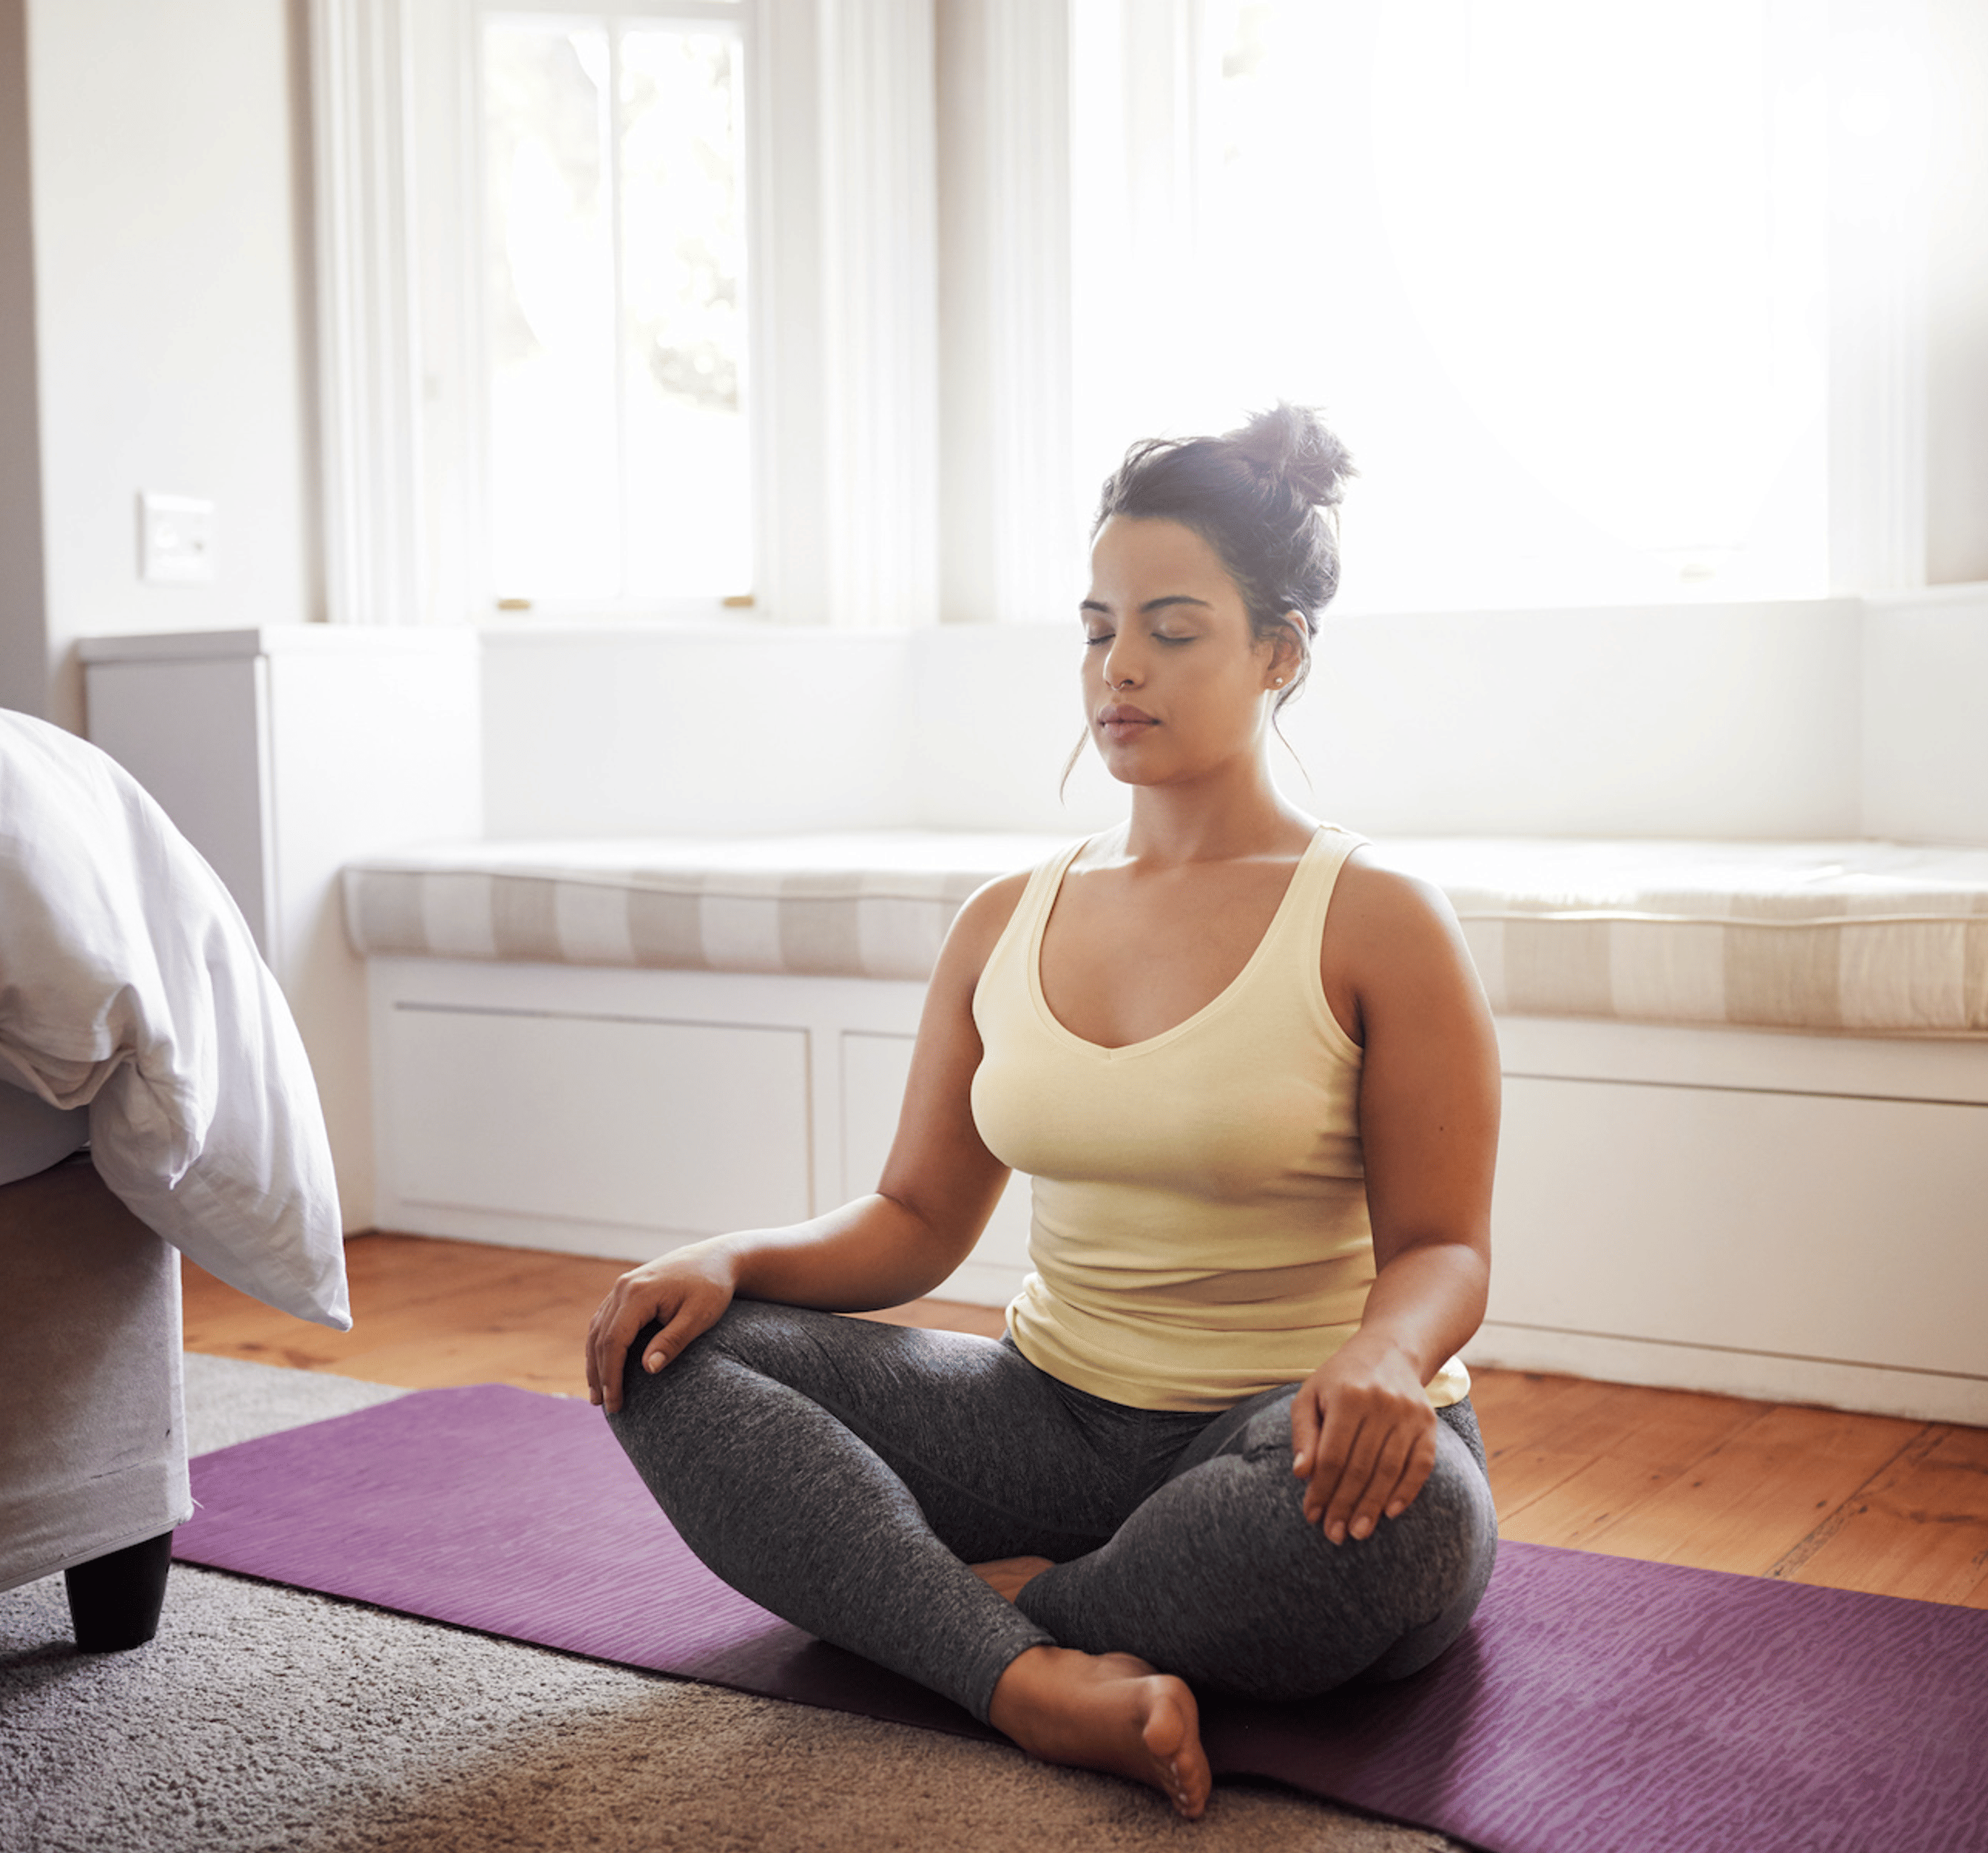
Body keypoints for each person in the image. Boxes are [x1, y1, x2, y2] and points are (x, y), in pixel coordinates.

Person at [583, 404, 1501, 1820]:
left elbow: (1446, 1248)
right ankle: (1029, 1679)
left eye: (1174, 629)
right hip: (1043, 1417)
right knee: (666, 1358)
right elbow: (914, 1222)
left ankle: (977, 1608)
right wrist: (731, 1260)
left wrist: (1387, 1356)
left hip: (1284, 1439)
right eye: (1095, 628)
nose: (1119, 667)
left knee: (1415, 1524)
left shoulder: (1378, 919)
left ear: (1281, 650)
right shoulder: (1005, 919)